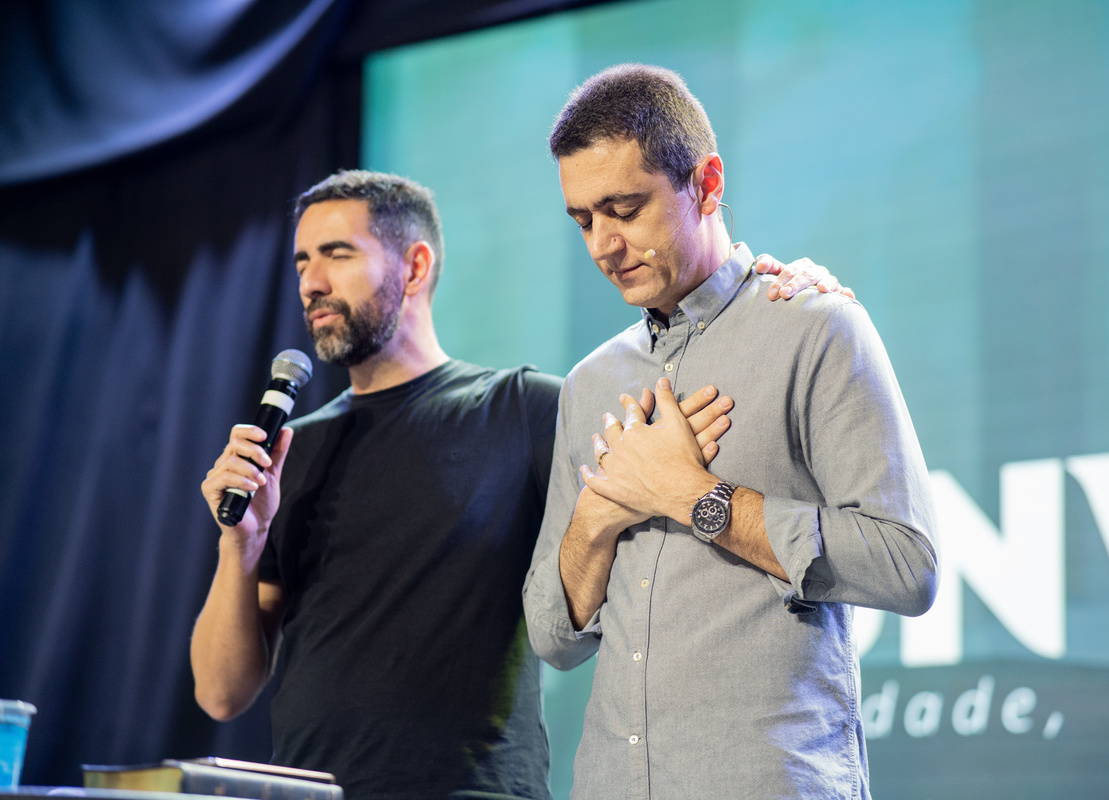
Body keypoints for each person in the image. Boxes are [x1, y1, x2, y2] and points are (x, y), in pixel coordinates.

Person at [190, 170, 840, 800]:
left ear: (414, 267)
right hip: (306, 791)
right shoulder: (289, 452)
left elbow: (676, 412)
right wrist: (239, 544)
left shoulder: (523, 409)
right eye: (302, 261)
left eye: (337, 254)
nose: (311, 282)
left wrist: (778, 294)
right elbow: (221, 693)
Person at [522, 64, 939, 800]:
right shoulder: (591, 383)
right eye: (583, 220)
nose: (602, 245)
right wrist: (599, 513)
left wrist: (693, 496)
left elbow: (907, 566)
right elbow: (554, 637)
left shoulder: (815, 327)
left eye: (625, 209)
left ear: (706, 184)